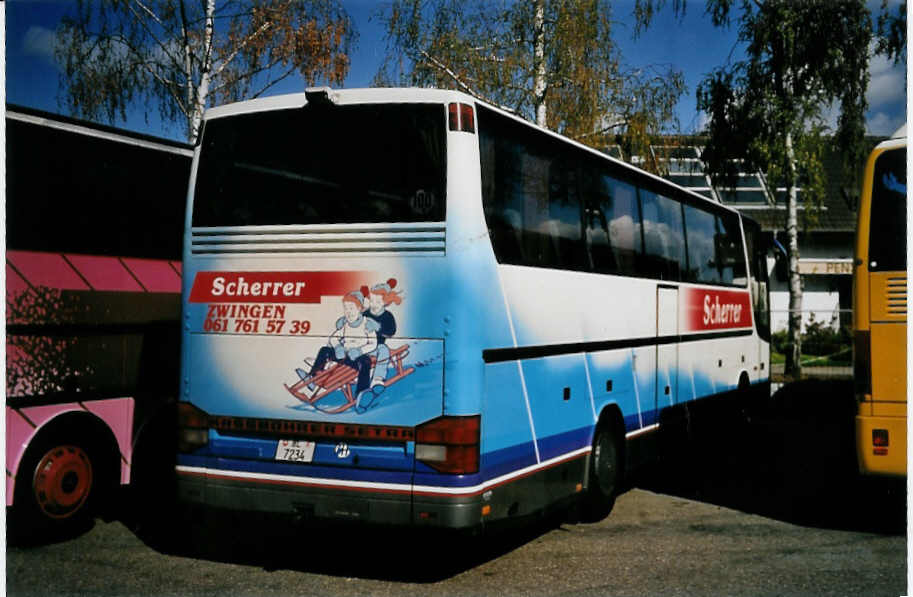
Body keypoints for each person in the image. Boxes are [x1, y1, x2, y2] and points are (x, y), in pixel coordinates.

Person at [295, 288, 378, 409]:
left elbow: (373, 343)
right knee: (325, 350)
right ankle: (313, 378)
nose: (348, 312)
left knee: (365, 362)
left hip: (357, 357)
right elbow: (333, 338)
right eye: (346, 308)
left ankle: (362, 393)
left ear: (359, 309)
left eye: (351, 308)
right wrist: (338, 347)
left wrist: (360, 351)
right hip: (343, 355)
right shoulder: (344, 323)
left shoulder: (367, 324)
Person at [363, 278, 403, 394]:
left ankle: (377, 379)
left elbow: (391, 332)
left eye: (378, 302)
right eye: (372, 301)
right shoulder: (365, 313)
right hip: (362, 346)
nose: (373, 305)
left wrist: (378, 328)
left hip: (377, 347)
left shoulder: (387, 316)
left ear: (385, 302)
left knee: (384, 350)